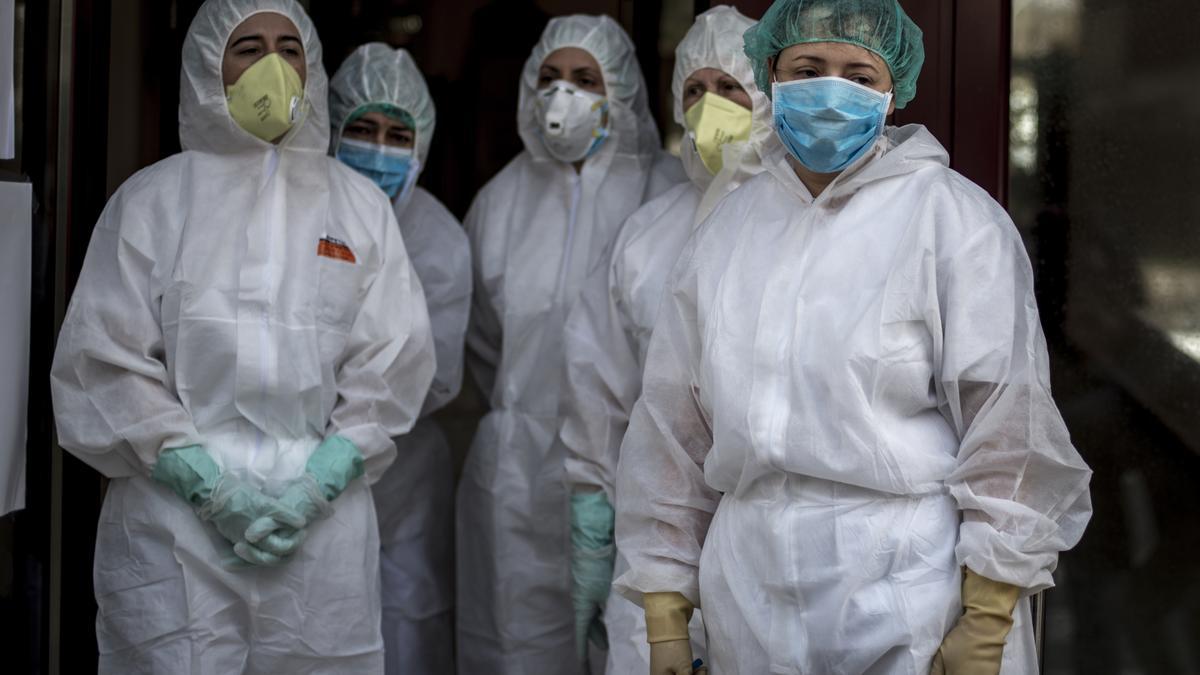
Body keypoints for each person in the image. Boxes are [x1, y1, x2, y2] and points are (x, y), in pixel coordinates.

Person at [611, 1, 1094, 673]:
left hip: (908, 599)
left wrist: (986, 615)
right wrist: (664, 611)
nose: (833, 89)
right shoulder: (725, 232)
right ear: (770, 75)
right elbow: (671, 429)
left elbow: (1010, 430)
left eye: (859, 75)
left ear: (892, 93)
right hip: (749, 602)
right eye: (808, 67)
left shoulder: (952, 222)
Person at [49, 1, 435, 672]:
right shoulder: (152, 201)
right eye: (247, 48)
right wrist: (202, 482)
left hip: (321, 528)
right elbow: (102, 359)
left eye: (289, 49)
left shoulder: (358, 207)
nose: (272, 67)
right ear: (207, 66)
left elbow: (392, 359)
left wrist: (320, 478)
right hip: (174, 527)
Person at [457, 14, 686, 674]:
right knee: (512, 641)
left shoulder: (665, 191)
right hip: (515, 473)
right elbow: (481, 342)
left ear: (620, 92)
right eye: (550, 79)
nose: (564, 96)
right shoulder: (499, 201)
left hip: (636, 474)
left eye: (585, 80)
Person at [558, 6, 774, 673]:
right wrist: (594, 513)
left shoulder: (806, 226)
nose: (711, 107)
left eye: (731, 89)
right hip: (654, 543)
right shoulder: (647, 236)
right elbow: (599, 379)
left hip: (768, 537)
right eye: (694, 91)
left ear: (767, 98)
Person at [327, 43, 471, 675]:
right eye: (360, 128)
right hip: (294, 460)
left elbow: (433, 377)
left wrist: (340, 408)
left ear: (422, 142)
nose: (378, 146)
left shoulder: (439, 238)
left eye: (396, 132)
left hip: (404, 472)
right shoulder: (301, 216)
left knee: (405, 621)